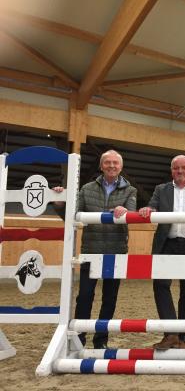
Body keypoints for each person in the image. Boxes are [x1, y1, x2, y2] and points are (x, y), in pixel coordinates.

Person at [53, 150, 137, 349]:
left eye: (115, 163)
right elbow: (72, 216)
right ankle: (79, 340)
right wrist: (59, 204)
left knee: (109, 298)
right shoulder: (87, 188)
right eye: (107, 162)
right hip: (90, 250)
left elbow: (132, 213)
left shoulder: (130, 191)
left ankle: (101, 340)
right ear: (101, 166)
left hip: (116, 251)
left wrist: (125, 212)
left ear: (121, 167)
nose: (111, 166)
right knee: (84, 296)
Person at [138, 155, 185, 350]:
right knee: (160, 285)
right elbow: (152, 205)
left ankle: (182, 337)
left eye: (183, 168)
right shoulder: (161, 189)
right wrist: (148, 208)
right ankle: (171, 333)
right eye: (176, 168)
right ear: (171, 170)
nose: (180, 171)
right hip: (167, 244)